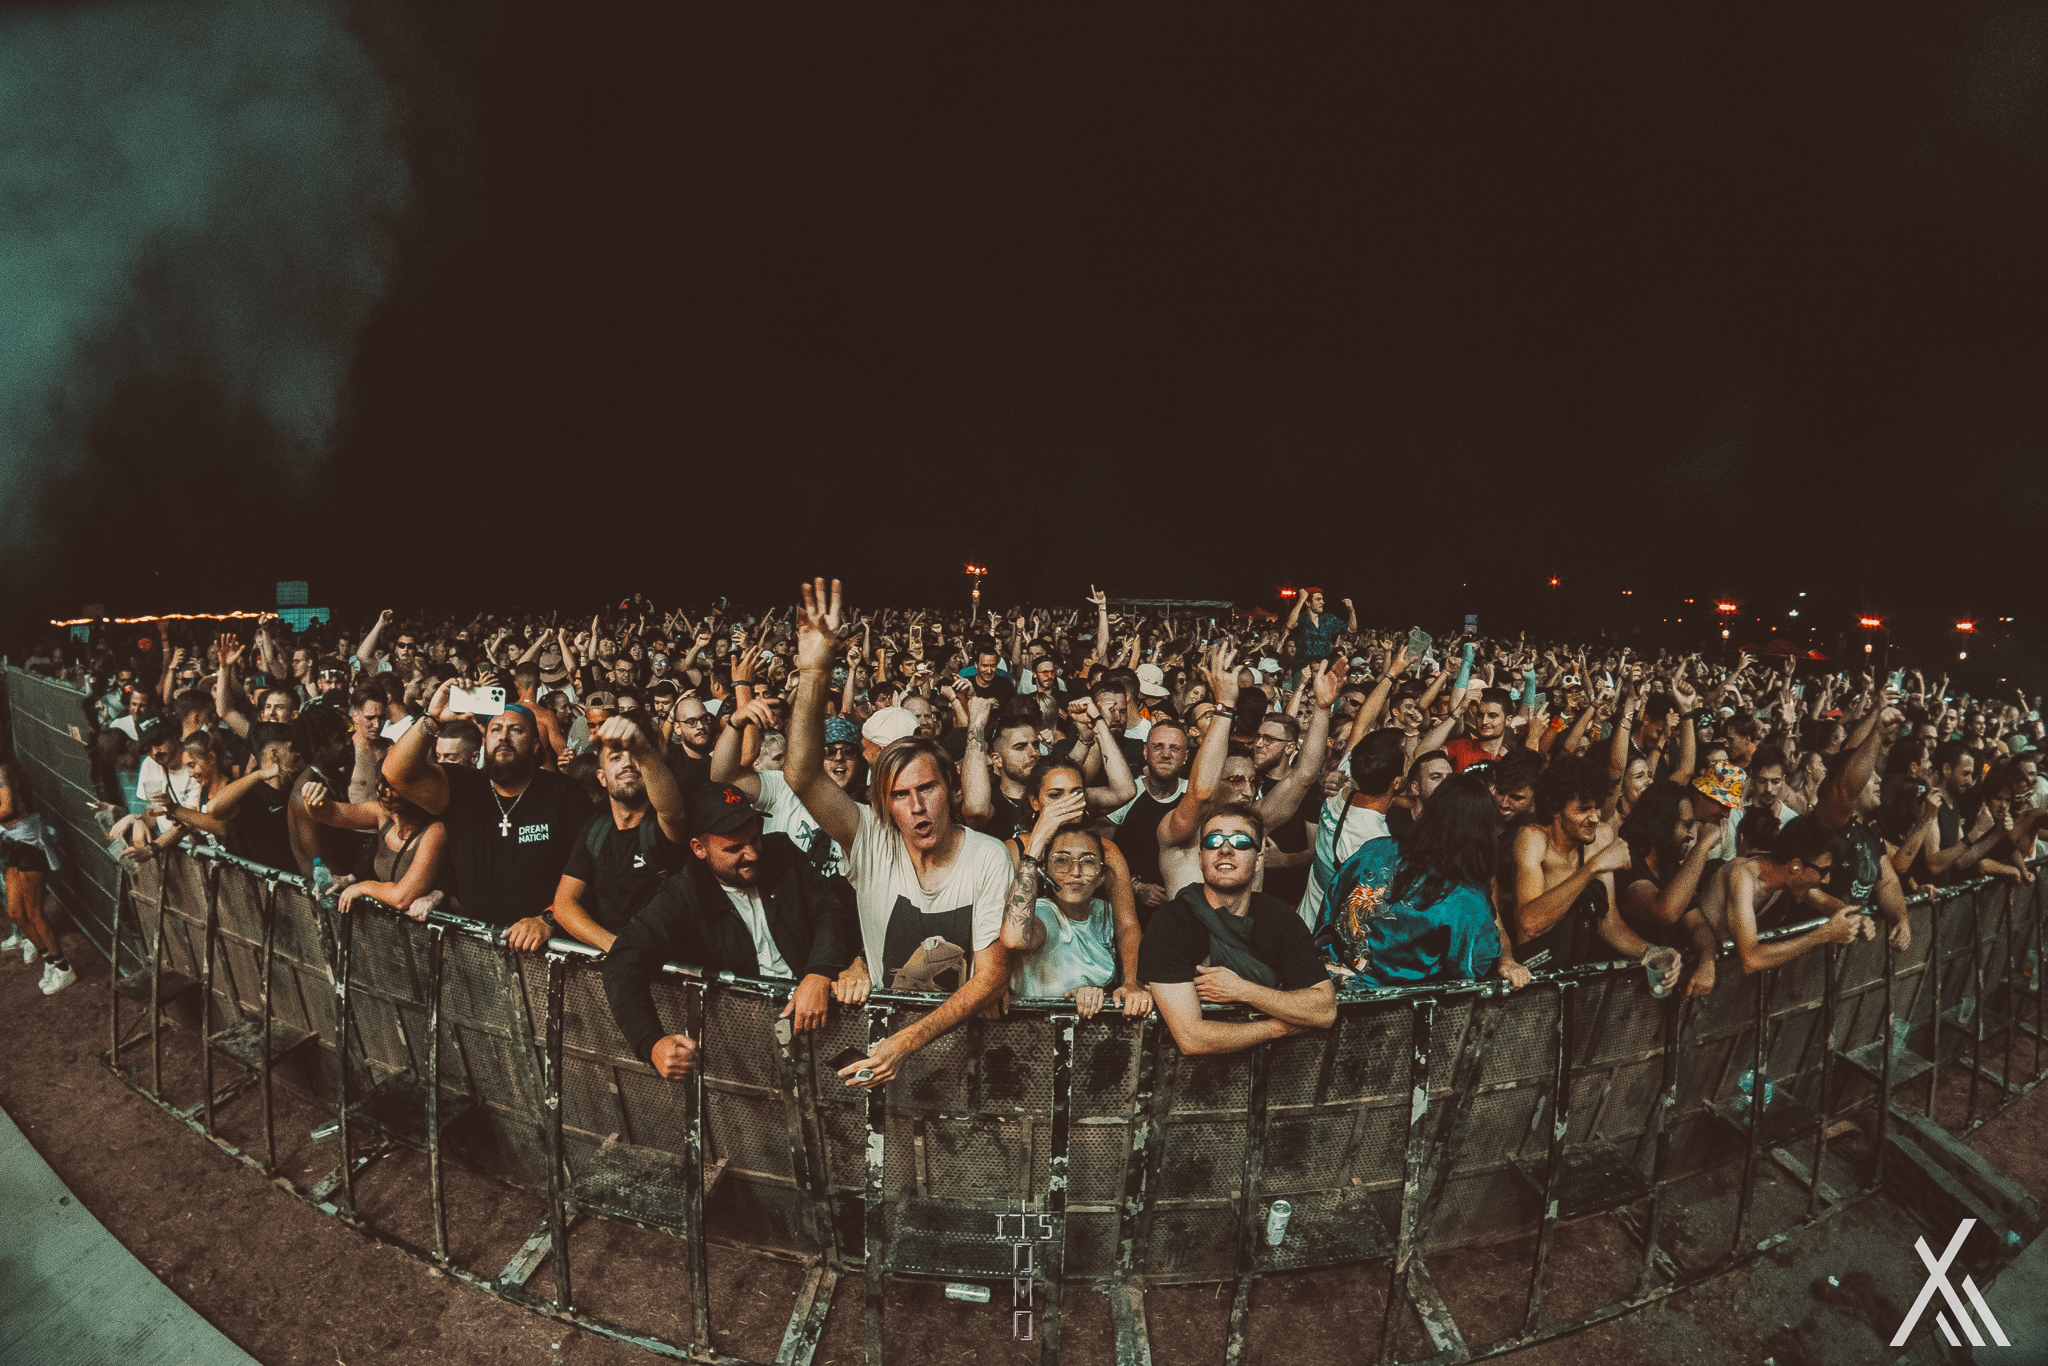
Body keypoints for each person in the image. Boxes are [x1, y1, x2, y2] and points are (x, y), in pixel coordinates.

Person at [784, 578, 1016, 1090]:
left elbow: (992, 975)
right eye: (899, 795)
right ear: (884, 804)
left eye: (927, 789)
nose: (916, 807)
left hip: (964, 1050)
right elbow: (800, 774)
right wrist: (815, 670)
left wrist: (903, 1044)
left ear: (952, 789)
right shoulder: (871, 838)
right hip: (885, 1049)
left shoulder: (987, 856)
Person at [602, 782, 863, 1078]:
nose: (752, 854)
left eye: (754, 839)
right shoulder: (683, 894)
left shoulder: (781, 851)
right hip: (743, 1043)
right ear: (699, 848)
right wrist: (652, 1043)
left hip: (822, 1021)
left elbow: (829, 911)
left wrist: (819, 972)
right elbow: (623, 961)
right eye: (734, 848)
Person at [382, 683, 591, 946]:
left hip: (541, 946)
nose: (504, 736)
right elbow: (396, 774)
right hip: (475, 944)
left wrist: (548, 919)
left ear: (536, 745)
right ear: (484, 743)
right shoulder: (463, 786)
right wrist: (432, 719)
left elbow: (587, 869)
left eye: (516, 730)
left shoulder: (564, 793)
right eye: (495, 729)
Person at [1137, 803, 1336, 1056]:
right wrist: (1280, 1027)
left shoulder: (1280, 919)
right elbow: (1191, 1038)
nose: (1225, 849)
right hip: (1188, 1073)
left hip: (1275, 1069)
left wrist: (1242, 990)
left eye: (1241, 842)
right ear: (1201, 858)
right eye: (1213, 841)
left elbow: (1325, 1010)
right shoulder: (1171, 922)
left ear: (1258, 860)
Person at [1320, 772, 1528, 990]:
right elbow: (1476, 963)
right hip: (1388, 1005)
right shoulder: (1465, 898)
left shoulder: (1375, 849)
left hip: (1327, 984)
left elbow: (1330, 906)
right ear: (1483, 831)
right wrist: (1505, 959)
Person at [1510, 753, 1669, 982]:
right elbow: (1530, 924)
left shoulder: (1600, 837)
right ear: (1556, 808)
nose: (1594, 818)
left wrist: (1652, 951)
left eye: (1596, 809)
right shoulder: (1532, 838)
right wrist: (1591, 868)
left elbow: (1609, 923)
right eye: (1583, 809)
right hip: (1535, 972)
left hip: (1577, 968)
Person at [550, 715, 690, 952]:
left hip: (669, 961)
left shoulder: (661, 824)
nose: (628, 764)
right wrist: (619, 949)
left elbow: (673, 813)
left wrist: (644, 751)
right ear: (602, 778)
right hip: (621, 959)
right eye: (615, 758)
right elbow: (564, 905)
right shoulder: (595, 830)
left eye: (635, 756)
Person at [1002, 820, 1148, 1019]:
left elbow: (1129, 931)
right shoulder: (1044, 913)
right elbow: (1014, 939)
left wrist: (1116, 990)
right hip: (1033, 1027)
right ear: (1046, 871)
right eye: (1062, 860)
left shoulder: (1104, 913)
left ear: (1101, 876)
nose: (1075, 872)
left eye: (1088, 862)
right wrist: (1032, 857)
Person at [1694, 816, 1876, 972]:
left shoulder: (1786, 876)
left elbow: (1825, 903)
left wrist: (1857, 919)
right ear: (1795, 866)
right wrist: (1823, 934)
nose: (1826, 880)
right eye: (1823, 871)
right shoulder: (1742, 877)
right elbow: (1751, 959)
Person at [713, 698, 864, 876]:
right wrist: (735, 724)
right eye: (829, 751)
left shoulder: (872, 810)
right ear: (816, 757)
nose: (838, 757)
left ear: (860, 762)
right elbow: (724, 778)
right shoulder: (785, 787)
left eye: (849, 751)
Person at [1613, 780, 1724, 996]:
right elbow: (1665, 911)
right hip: (1620, 994)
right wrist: (1702, 847)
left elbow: (1698, 924)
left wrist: (1707, 962)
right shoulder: (1626, 862)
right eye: (1686, 825)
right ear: (1662, 822)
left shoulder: (1669, 867)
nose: (1691, 834)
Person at [1299, 728, 1406, 932]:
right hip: (1329, 934)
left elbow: (1361, 726)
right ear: (1397, 782)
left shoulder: (1337, 790)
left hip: (1305, 919)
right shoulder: (1376, 842)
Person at [300, 774, 448, 919]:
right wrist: (313, 799)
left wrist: (363, 887)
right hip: (384, 923)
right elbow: (331, 813)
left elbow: (401, 898)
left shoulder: (435, 830)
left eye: (395, 786)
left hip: (418, 927)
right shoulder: (383, 813)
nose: (384, 791)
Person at [0, 758, 73, 995]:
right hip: (11, 842)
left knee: (33, 912)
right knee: (16, 912)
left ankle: (64, 968)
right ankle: (49, 961)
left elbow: (7, 808)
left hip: (28, 841)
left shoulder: (3, 769)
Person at [1107, 718, 1189, 922]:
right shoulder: (1127, 794)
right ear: (1145, 752)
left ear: (1186, 756)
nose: (1166, 754)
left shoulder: (1192, 796)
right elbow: (1101, 852)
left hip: (1182, 912)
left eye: (1175, 748)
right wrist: (1135, 886)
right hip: (1129, 911)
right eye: (1158, 746)